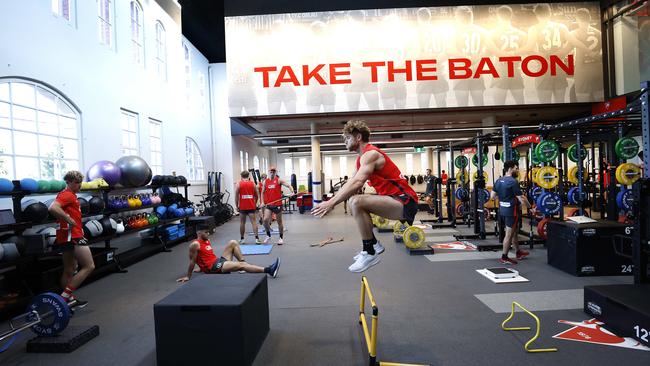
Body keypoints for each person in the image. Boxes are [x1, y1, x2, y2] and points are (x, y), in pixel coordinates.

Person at [312, 120, 418, 272]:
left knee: (355, 201)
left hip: (405, 201)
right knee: (352, 202)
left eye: (347, 138)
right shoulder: (361, 160)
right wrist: (331, 200)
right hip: (394, 200)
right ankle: (373, 244)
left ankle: (369, 252)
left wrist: (331, 203)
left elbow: (358, 183)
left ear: (358, 137)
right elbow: (351, 183)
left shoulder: (371, 154)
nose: (345, 142)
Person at [48, 170, 94, 308]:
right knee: (89, 266)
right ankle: (63, 298)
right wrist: (68, 219)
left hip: (66, 235)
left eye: (80, 183)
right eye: (76, 183)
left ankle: (69, 301)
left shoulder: (71, 195)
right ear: (68, 182)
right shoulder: (67, 194)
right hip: (73, 235)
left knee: (69, 269)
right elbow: (52, 208)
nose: (79, 186)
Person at [176, 226, 280, 283]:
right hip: (213, 268)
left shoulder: (206, 240)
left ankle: (244, 266)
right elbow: (192, 261)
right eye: (206, 232)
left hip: (217, 262)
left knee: (233, 242)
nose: (208, 234)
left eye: (208, 232)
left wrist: (200, 267)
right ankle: (269, 270)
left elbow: (203, 256)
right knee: (241, 266)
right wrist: (188, 276)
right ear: (199, 233)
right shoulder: (195, 244)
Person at [489, 160, 531, 264]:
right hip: (512, 212)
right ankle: (504, 257)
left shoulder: (498, 181)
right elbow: (521, 198)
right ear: (510, 169)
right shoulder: (513, 181)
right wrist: (530, 207)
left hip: (502, 211)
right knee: (509, 234)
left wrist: (503, 198)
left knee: (514, 232)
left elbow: (492, 197)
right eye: (516, 168)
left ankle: (518, 252)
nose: (517, 170)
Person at [261, 166, 294, 245]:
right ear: (269, 172)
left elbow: (289, 185)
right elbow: (262, 192)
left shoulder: (279, 180)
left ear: (275, 172)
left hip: (277, 204)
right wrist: (262, 202)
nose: (272, 173)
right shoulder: (265, 181)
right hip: (269, 204)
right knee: (265, 220)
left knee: (279, 222)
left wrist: (292, 191)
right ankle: (268, 235)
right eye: (271, 171)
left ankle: (281, 238)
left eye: (273, 171)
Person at [236, 170, 261, 244]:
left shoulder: (238, 184)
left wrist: (237, 205)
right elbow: (257, 195)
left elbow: (236, 196)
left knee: (242, 223)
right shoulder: (253, 184)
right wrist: (255, 203)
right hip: (251, 206)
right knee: (254, 222)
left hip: (242, 207)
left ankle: (242, 239)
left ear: (241, 176)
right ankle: (256, 239)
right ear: (248, 176)